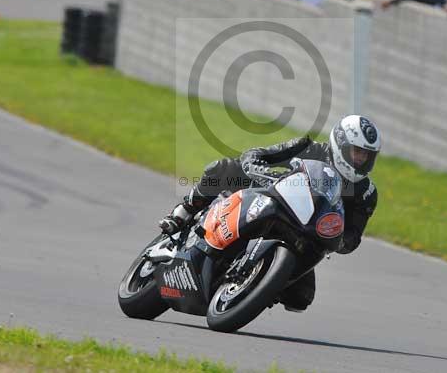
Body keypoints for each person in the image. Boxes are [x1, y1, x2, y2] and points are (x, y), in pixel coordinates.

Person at [159, 115, 382, 312]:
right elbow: (257, 155)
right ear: (340, 144)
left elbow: (353, 236)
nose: (360, 160)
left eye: (366, 155)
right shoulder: (308, 148)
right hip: (272, 197)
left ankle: (257, 284)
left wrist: (338, 237)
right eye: (356, 152)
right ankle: (185, 211)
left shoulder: (366, 194)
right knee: (225, 169)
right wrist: (261, 170)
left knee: (300, 298)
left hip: (306, 234)